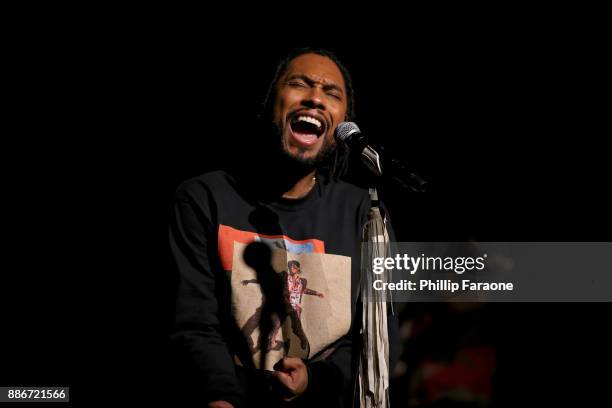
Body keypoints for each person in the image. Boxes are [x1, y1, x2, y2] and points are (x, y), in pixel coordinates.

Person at [169, 48, 399, 408]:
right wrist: (220, 396)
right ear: (269, 102)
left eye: (331, 93)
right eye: (299, 84)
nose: (315, 98)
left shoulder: (362, 213)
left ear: (341, 125)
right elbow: (193, 321)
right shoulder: (205, 197)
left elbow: (375, 335)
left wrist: (314, 382)